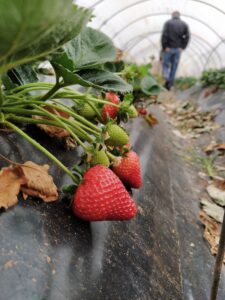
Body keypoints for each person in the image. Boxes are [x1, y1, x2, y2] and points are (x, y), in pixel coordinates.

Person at [161, 11, 190, 90]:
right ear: (179, 16)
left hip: (168, 48)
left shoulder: (168, 23)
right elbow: (187, 37)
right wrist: (182, 47)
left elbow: (164, 35)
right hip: (177, 49)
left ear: (172, 15)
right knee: (174, 67)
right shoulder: (184, 24)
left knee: (165, 64)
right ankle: (170, 84)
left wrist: (165, 46)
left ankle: (166, 76)